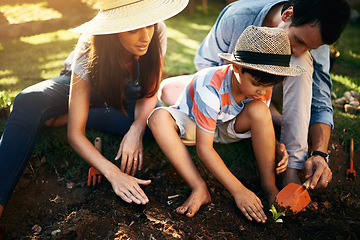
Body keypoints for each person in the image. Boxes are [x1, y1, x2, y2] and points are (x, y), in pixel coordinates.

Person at [0, 0, 189, 234]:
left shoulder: (157, 31)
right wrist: (114, 173)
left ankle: (66, 117)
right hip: (85, 87)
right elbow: (75, 135)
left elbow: (149, 92)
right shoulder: (90, 46)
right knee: (28, 100)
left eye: (148, 25)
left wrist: (137, 129)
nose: (145, 37)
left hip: (128, 92)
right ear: (113, 30)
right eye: (133, 29)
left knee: (156, 126)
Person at [159, 0, 351, 192]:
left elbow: (320, 101)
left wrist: (319, 153)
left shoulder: (312, 41)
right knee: (167, 90)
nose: (299, 50)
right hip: (228, 85)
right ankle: (262, 119)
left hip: (273, 88)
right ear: (287, 15)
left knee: (301, 61)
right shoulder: (237, 16)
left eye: (311, 48)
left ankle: (292, 167)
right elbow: (205, 65)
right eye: (300, 41)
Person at [148, 26, 305, 223]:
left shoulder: (262, 84)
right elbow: (204, 148)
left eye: (269, 86)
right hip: (195, 125)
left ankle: (269, 186)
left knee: (260, 109)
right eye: (256, 84)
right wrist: (239, 190)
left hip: (230, 124)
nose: (262, 91)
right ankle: (199, 187)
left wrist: (273, 143)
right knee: (158, 117)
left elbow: (260, 116)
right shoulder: (210, 89)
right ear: (237, 67)